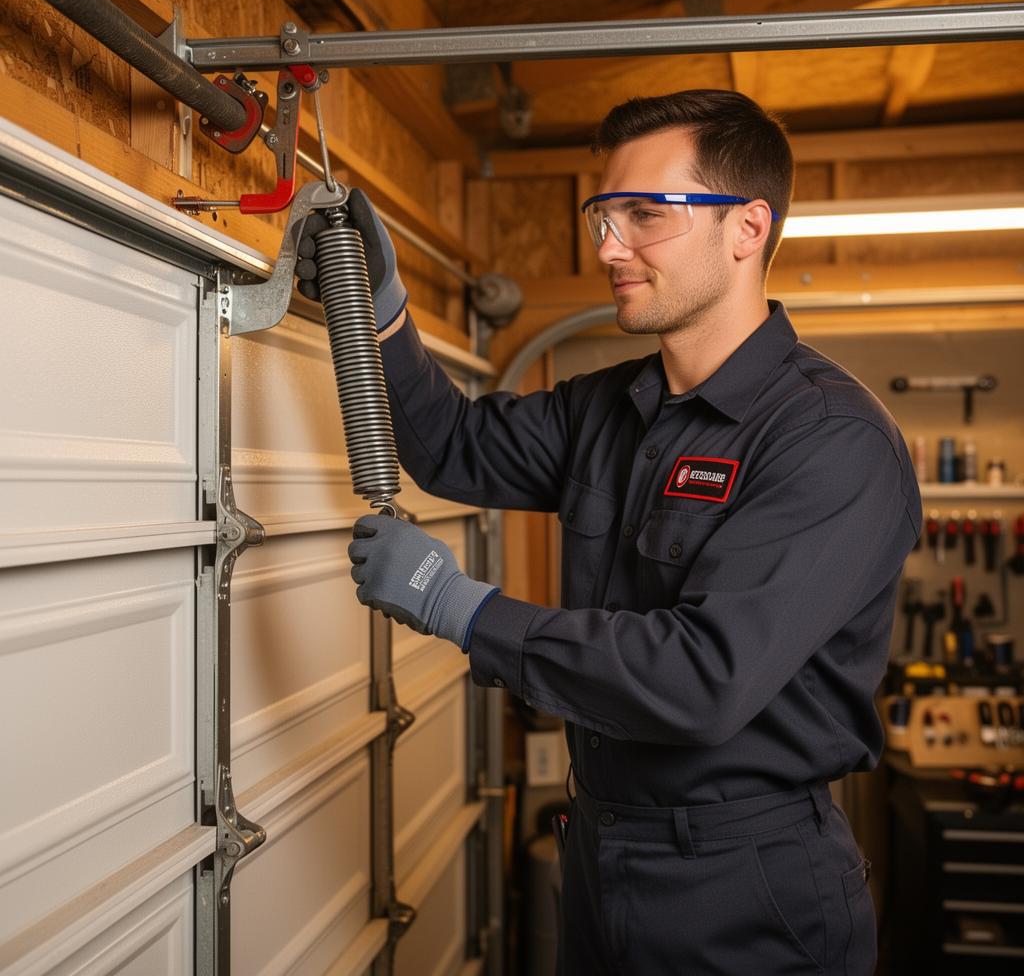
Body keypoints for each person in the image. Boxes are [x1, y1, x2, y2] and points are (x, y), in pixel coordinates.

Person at [298, 89, 921, 975]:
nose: (607, 247)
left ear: (747, 229)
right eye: (603, 215)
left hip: (746, 886)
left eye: (644, 215)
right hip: (602, 847)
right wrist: (381, 309)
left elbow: (703, 679)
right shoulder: (610, 406)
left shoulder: (830, 441)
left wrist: (462, 608)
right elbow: (452, 447)